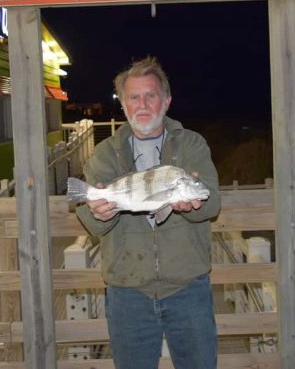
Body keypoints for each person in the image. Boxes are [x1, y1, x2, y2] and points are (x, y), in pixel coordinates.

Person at [76, 56, 221, 369]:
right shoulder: (105, 153)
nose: (142, 104)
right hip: (127, 293)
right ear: (124, 104)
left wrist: (191, 206)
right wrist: (99, 213)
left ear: (166, 101)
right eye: (133, 97)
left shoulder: (192, 144)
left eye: (151, 95)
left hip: (188, 288)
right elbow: (89, 219)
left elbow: (211, 202)